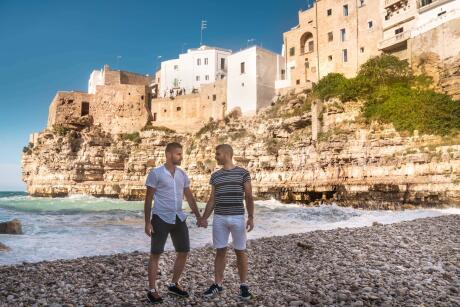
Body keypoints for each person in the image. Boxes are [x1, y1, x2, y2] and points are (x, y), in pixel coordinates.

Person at [144, 142, 202, 304]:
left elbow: (189, 197)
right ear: (169, 154)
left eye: (181, 154)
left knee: (183, 251)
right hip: (160, 218)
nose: (181, 157)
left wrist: (199, 216)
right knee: (155, 254)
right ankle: (152, 289)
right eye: (178, 154)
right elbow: (148, 199)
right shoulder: (156, 173)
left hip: (179, 217)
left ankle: (174, 284)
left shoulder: (182, 174)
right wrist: (147, 222)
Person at [199, 144, 255, 300]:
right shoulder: (215, 176)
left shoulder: (243, 173)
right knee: (220, 251)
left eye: (217, 154)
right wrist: (204, 218)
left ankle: (243, 285)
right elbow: (212, 200)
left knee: (240, 251)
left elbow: (249, 196)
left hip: (238, 217)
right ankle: (218, 284)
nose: (216, 157)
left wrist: (250, 217)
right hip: (219, 219)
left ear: (226, 154)